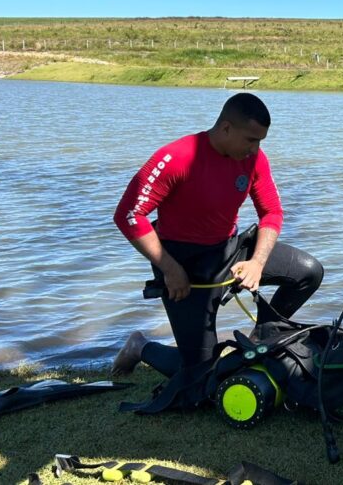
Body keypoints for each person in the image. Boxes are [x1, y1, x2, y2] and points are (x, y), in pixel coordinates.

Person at [110, 93, 324, 377]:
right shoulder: (176, 158)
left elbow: (272, 212)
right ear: (225, 128)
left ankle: (263, 336)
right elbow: (128, 215)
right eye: (251, 140)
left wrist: (257, 263)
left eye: (260, 141)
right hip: (182, 264)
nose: (255, 149)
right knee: (203, 376)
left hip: (228, 251)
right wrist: (170, 269)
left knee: (309, 272)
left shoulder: (254, 159)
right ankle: (140, 347)